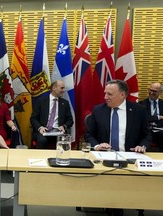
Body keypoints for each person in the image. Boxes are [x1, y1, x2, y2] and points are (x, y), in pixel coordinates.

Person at [85, 80, 151, 216]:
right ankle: (113, 205)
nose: (105, 97)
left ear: (122, 95)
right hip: (105, 157)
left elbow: (147, 134)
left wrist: (142, 146)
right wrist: (97, 146)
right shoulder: (98, 110)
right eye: (105, 93)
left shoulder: (139, 110)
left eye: (109, 94)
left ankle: (123, 202)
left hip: (131, 156)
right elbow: (89, 134)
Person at [30, 80, 74, 149]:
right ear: (54, 88)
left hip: (58, 132)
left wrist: (64, 126)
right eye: (62, 88)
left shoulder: (65, 103)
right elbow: (33, 118)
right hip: (43, 131)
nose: (64, 90)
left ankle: (61, 159)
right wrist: (40, 127)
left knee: (64, 141)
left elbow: (70, 120)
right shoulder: (41, 101)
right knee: (42, 140)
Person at [139, 82, 163, 152]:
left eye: (154, 91)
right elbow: (144, 118)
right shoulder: (141, 104)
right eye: (150, 90)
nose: (151, 93)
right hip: (148, 130)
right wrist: (159, 117)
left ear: (160, 92)